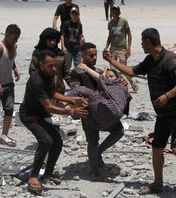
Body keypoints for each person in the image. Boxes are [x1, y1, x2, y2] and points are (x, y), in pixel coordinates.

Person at [104, 28, 176, 197]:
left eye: (142, 41)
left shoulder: (170, 59)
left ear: (148, 41)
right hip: (163, 114)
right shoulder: (150, 60)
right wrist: (111, 60)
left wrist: (167, 95)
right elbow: (131, 72)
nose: (141, 44)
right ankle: (158, 184)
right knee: (157, 147)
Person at [19, 50, 88, 194]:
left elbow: (52, 94)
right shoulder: (36, 80)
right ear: (41, 64)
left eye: (55, 65)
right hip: (29, 115)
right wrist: (71, 111)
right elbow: (49, 106)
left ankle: (48, 174)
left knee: (57, 141)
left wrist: (71, 99)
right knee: (45, 141)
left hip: (41, 113)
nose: (54, 69)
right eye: (50, 66)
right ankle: (33, 176)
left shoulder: (49, 75)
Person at [70, 42, 125, 182]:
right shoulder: (77, 72)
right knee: (92, 142)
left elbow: (109, 83)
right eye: (91, 55)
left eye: (95, 55)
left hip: (105, 110)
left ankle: (99, 152)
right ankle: (95, 171)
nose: (95, 58)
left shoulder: (99, 71)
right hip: (89, 114)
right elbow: (76, 91)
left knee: (119, 131)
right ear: (82, 55)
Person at [67, 65, 131, 130]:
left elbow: (102, 79)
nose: (108, 78)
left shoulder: (114, 84)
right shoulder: (116, 86)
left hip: (108, 113)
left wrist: (86, 68)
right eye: (106, 77)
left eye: (111, 76)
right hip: (99, 113)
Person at [0, 24, 21, 147]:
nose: (15, 41)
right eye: (13, 39)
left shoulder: (14, 46)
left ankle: (4, 136)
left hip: (8, 83)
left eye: (17, 39)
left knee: (9, 110)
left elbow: (10, 61)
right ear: (6, 35)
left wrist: (15, 69)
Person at [29, 27, 71, 97]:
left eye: (54, 40)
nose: (52, 42)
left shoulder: (60, 54)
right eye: (49, 40)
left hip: (59, 90)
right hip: (43, 91)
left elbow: (66, 72)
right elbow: (32, 71)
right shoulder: (38, 54)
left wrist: (74, 86)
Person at [104, 5, 138, 92]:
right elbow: (110, 36)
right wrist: (106, 47)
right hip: (113, 48)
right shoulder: (110, 23)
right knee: (113, 69)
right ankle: (115, 87)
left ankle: (132, 82)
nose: (114, 14)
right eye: (113, 12)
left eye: (116, 12)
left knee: (123, 69)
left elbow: (129, 34)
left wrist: (129, 48)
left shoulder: (124, 21)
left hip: (122, 49)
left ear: (119, 13)